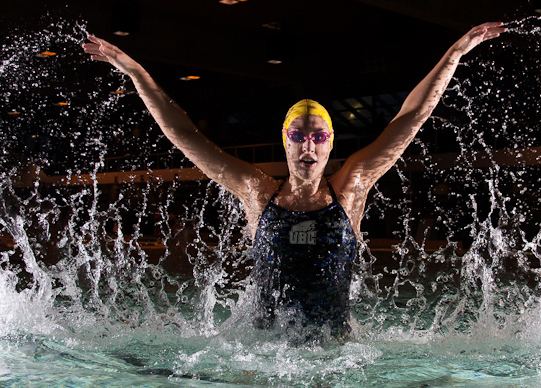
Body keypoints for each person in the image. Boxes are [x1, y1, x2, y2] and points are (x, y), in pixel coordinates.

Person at [82, 22, 505, 341]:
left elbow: (409, 118)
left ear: (330, 142)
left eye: (318, 137)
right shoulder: (256, 190)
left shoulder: (352, 187)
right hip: (263, 349)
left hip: (337, 349)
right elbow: (186, 136)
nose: (309, 146)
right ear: (284, 140)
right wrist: (136, 73)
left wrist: (455, 53)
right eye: (299, 136)